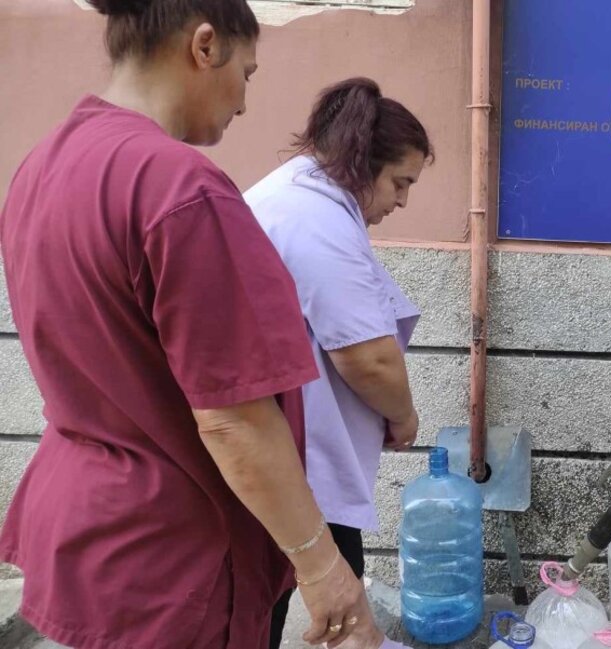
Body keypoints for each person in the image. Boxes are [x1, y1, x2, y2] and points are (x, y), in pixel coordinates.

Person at [0, 1, 381, 647]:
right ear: (204, 46)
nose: (244, 103)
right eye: (248, 73)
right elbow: (234, 417)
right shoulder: (180, 187)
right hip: (175, 554)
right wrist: (323, 565)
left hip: (88, 531)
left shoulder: (41, 166)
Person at [244, 77, 432, 648]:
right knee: (308, 586)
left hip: (287, 444)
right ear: (362, 163)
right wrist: (404, 417)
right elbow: (368, 357)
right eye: (401, 182)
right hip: (295, 454)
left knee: (299, 588)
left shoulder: (294, 196)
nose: (401, 201)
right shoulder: (316, 219)